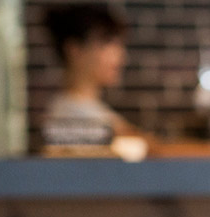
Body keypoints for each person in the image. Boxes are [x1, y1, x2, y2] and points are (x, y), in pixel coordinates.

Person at [41, 3, 140, 140]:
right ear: (74, 50)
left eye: (119, 45)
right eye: (107, 44)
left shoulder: (93, 112)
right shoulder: (70, 118)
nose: (121, 58)